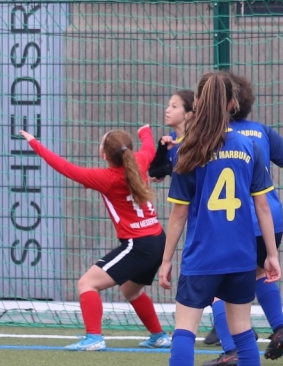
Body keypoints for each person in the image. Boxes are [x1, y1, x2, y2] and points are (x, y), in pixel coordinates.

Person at [149, 71, 279, 366]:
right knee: (243, 332)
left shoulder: (188, 149)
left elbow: (178, 213)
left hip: (202, 257)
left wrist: (166, 260)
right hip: (240, 257)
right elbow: (263, 207)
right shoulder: (249, 146)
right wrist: (271, 254)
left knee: (184, 330)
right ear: (232, 104)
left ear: (198, 104)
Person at [19, 125, 170, 351]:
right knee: (130, 290)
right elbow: (148, 147)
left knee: (87, 283)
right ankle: (159, 336)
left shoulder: (106, 178)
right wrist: (145, 132)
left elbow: (64, 167)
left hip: (138, 245)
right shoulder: (140, 160)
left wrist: (34, 142)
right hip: (157, 239)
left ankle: (94, 338)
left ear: (104, 154)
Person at [206, 72, 283, 364]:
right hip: (271, 220)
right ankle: (279, 328)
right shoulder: (262, 132)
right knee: (260, 274)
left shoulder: (216, 136)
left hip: (235, 220)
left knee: (216, 287)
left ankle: (231, 348)